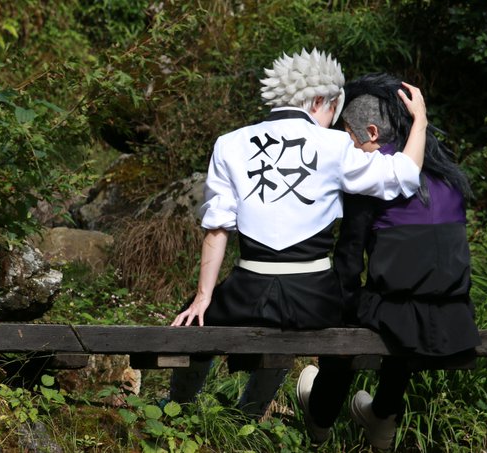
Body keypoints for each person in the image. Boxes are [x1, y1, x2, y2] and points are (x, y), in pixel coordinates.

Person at [169, 51, 428, 420]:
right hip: (315, 300)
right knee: (292, 323)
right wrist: (420, 121)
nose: (332, 119)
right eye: (333, 108)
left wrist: (202, 297)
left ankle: (178, 410)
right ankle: (248, 416)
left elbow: (217, 228)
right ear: (319, 100)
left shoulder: (229, 143)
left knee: (194, 316)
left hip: (246, 294)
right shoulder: (336, 145)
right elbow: (404, 175)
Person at [295, 72, 481, 448]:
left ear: (372, 133)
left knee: (352, 314)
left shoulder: (376, 177)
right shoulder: (448, 175)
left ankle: (321, 417)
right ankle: (382, 417)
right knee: (405, 303)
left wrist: (339, 308)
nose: (348, 148)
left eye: (349, 137)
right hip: (456, 316)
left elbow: (349, 260)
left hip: (402, 313)